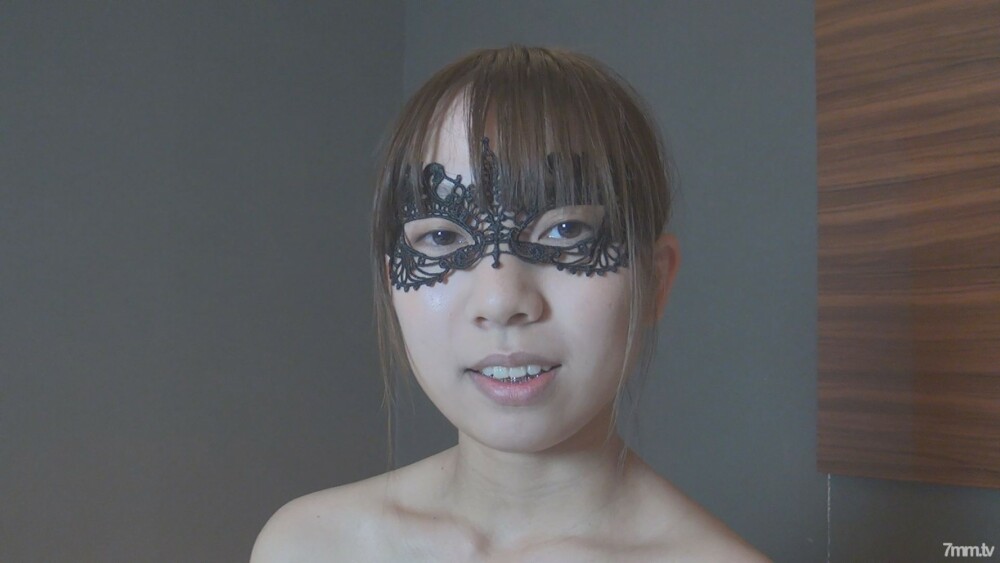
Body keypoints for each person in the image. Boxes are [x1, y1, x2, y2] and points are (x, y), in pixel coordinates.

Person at [251, 45, 768, 562]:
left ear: (656, 279)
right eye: (443, 237)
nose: (500, 301)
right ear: (392, 283)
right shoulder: (308, 547)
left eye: (565, 230)